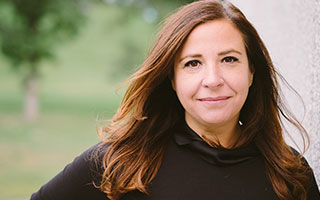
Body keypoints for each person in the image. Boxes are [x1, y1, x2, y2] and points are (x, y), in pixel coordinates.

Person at [31, 0, 320, 200]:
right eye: (193, 63)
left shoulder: (290, 174)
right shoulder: (122, 163)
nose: (213, 79)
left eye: (229, 59)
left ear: (252, 71)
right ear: (171, 78)